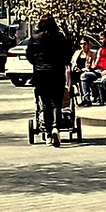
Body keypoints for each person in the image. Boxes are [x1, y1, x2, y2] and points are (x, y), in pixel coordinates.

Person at [25, 13, 72, 147]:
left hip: (41, 73)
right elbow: (68, 52)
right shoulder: (59, 37)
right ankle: (56, 127)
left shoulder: (35, 37)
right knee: (57, 102)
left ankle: (49, 132)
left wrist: (36, 63)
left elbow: (29, 54)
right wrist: (63, 62)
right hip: (56, 72)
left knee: (45, 104)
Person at [80, 29, 106, 106]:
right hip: (99, 71)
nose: (100, 40)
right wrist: (91, 67)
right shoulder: (100, 50)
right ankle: (87, 99)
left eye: (102, 38)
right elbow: (96, 63)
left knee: (105, 79)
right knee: (84, 76)